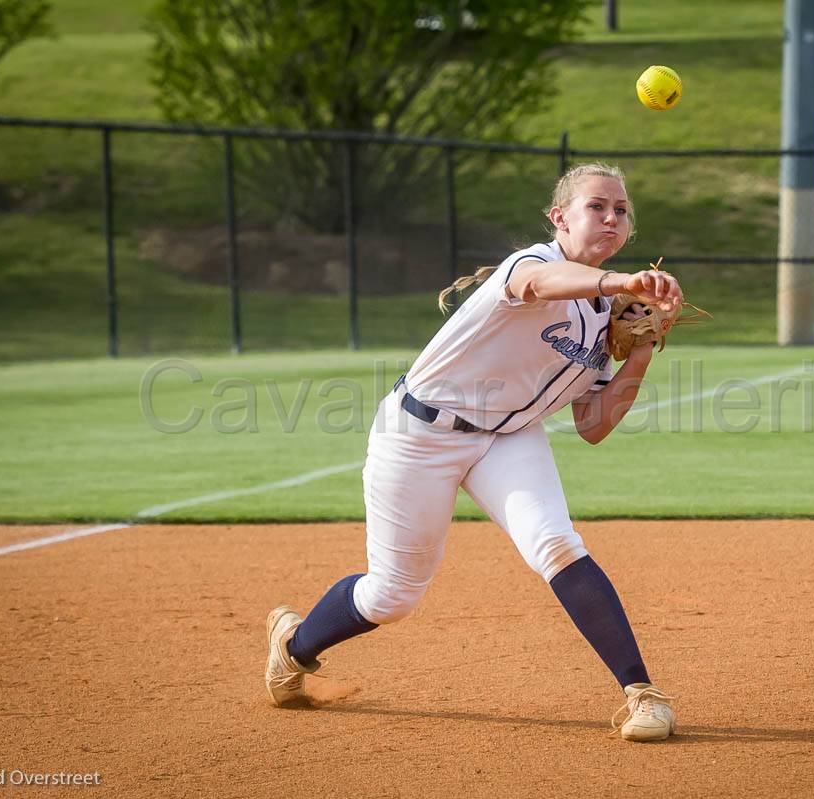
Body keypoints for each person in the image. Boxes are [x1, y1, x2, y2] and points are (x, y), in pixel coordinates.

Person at [264, 162, 684, 742]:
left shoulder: (600, 319)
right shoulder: (528, 265)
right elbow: (541, 287)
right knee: (393, 596)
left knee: (557, 545)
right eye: (597, 206)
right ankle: (295, 647)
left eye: (621, 210)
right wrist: (621, 284)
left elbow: (592, 424)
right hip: (420, 435)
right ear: (560, 218)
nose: (611, 217)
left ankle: (644, 696)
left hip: (508, 437)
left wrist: (638, 353)